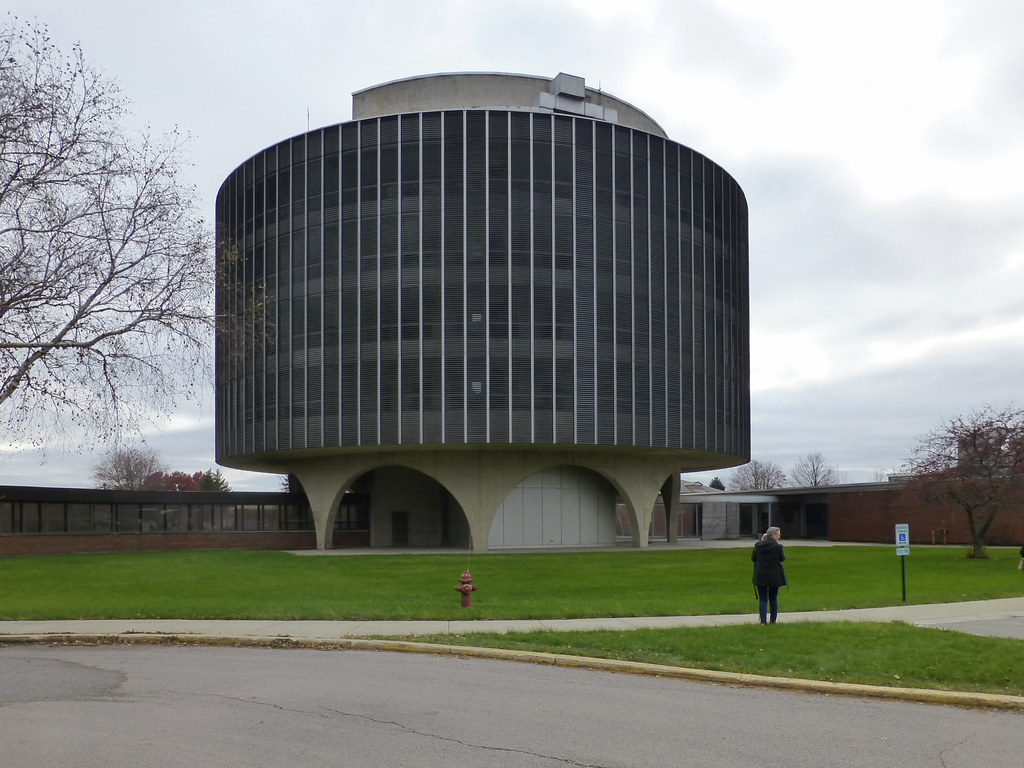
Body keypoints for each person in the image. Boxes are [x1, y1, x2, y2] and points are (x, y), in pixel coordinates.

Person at [751, 526, 787, 624]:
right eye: (778, 534)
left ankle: (763, 622)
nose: (779, 537)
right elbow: (782, 559)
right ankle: (773, 621)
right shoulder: (778, 547)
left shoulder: (758, 546)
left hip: (761, 575)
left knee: (763, 599)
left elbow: (753, 559)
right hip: (774, 576)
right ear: (773, 535)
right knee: (773, 598)